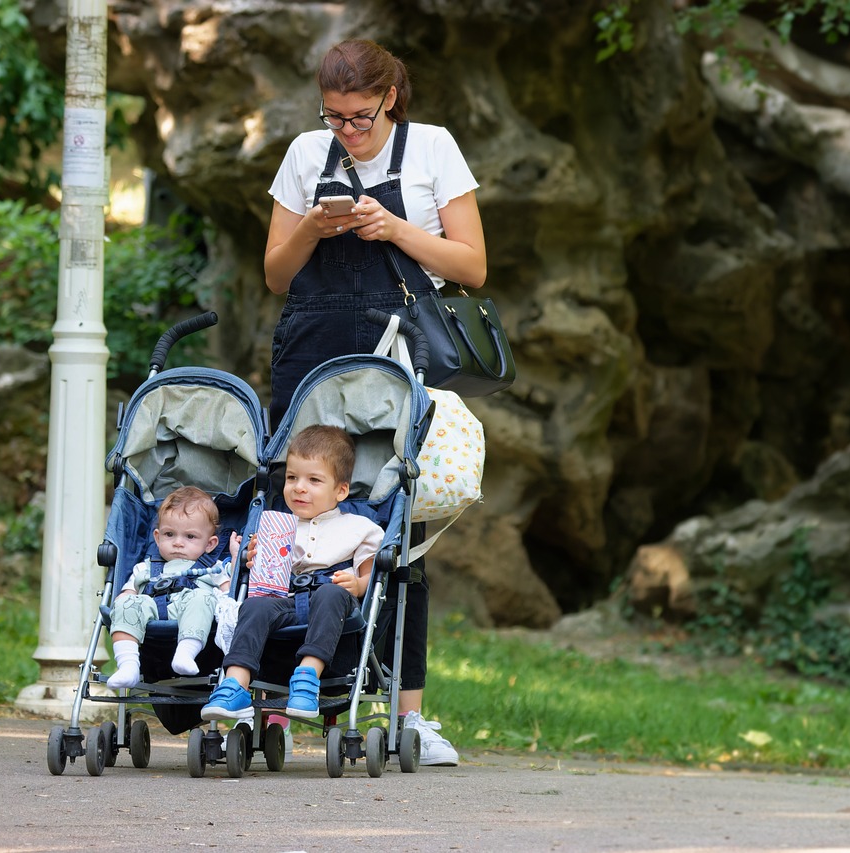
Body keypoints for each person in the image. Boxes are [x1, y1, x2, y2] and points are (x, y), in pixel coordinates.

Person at [260, 38, 484, 765]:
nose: (347, 132)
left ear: (390, 98)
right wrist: (312, 228)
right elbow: (274, 272)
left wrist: (393, 228)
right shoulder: (303, 154)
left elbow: (473, 266)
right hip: (312, 349)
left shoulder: (433, 148)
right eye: (334, 118)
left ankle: (407, 714)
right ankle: (259, 692)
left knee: (396, 526)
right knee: (280, 509)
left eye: (360, 116)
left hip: (396, 355)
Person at [200, 425, 384, 720]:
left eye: (313, 480)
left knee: (330, 593)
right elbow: (260, 576)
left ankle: (307, 678)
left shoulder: (359, 528)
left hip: (331, 602)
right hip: (284, 597)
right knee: (255, 605)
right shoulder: (276, 524)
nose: (299, 487)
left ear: (341, 490)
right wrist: (253, 558)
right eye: (291, 478)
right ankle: (234, 683)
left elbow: (370, 577)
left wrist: (358, 584)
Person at [105, 486, 237, 689]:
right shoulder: (145, 567)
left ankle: (185, 652)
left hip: (191, 612)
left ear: (210, 544)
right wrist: (124, 599)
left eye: (190, 537)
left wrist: (236, 561)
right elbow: (129, 590)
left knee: (203, 597)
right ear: (157, 537)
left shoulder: (213, 570)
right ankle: (128, 665)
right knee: (126, 603)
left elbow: (230, 596)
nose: (178, 543)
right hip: (150, 610)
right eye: (169, 534)